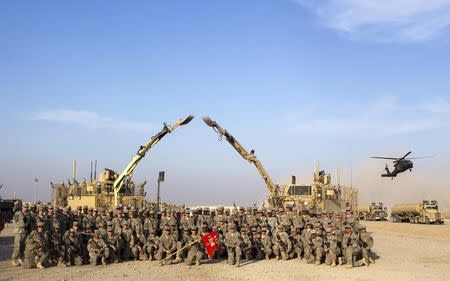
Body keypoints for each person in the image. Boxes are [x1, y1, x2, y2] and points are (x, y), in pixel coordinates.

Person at [11, 202, 29, 267]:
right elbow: (15, 222)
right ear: (22, 207)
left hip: (24, 232)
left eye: (27, 207)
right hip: (19, 232)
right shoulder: (18, 214)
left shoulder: (27, 214)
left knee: (23, 247)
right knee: (17, 247)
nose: (26, 208)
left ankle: (21, 259)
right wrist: (22, 225)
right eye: (25, 207)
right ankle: (14, 260)